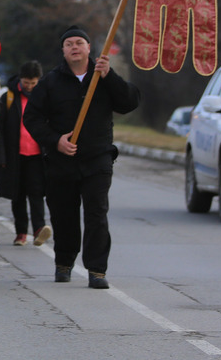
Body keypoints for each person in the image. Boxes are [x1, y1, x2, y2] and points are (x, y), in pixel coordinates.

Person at [23, 25, 141, 289]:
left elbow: (129, 102)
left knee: (97, 213)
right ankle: (63, 263)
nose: (74, 47)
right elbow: (31, 118)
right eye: (69, 44)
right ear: (63, 51)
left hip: (97, 158)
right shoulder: (51, 81)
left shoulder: (103, 77)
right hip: (61, 160)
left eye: (79, 42)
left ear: (89, 48)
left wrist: (109, 76)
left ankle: (97, 269)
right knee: (63, 214)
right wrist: (56, 141)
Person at [0, 61, 50, 246]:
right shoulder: (8, 98)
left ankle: (40, 229)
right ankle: (21, 232)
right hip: (14, 155)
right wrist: (0, 156)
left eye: (33, 83)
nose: (30, 87)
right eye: (26, 83)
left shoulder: (44, 98)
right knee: (17, 195)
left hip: (37, 155)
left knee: (36, 193)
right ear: (20, 79)